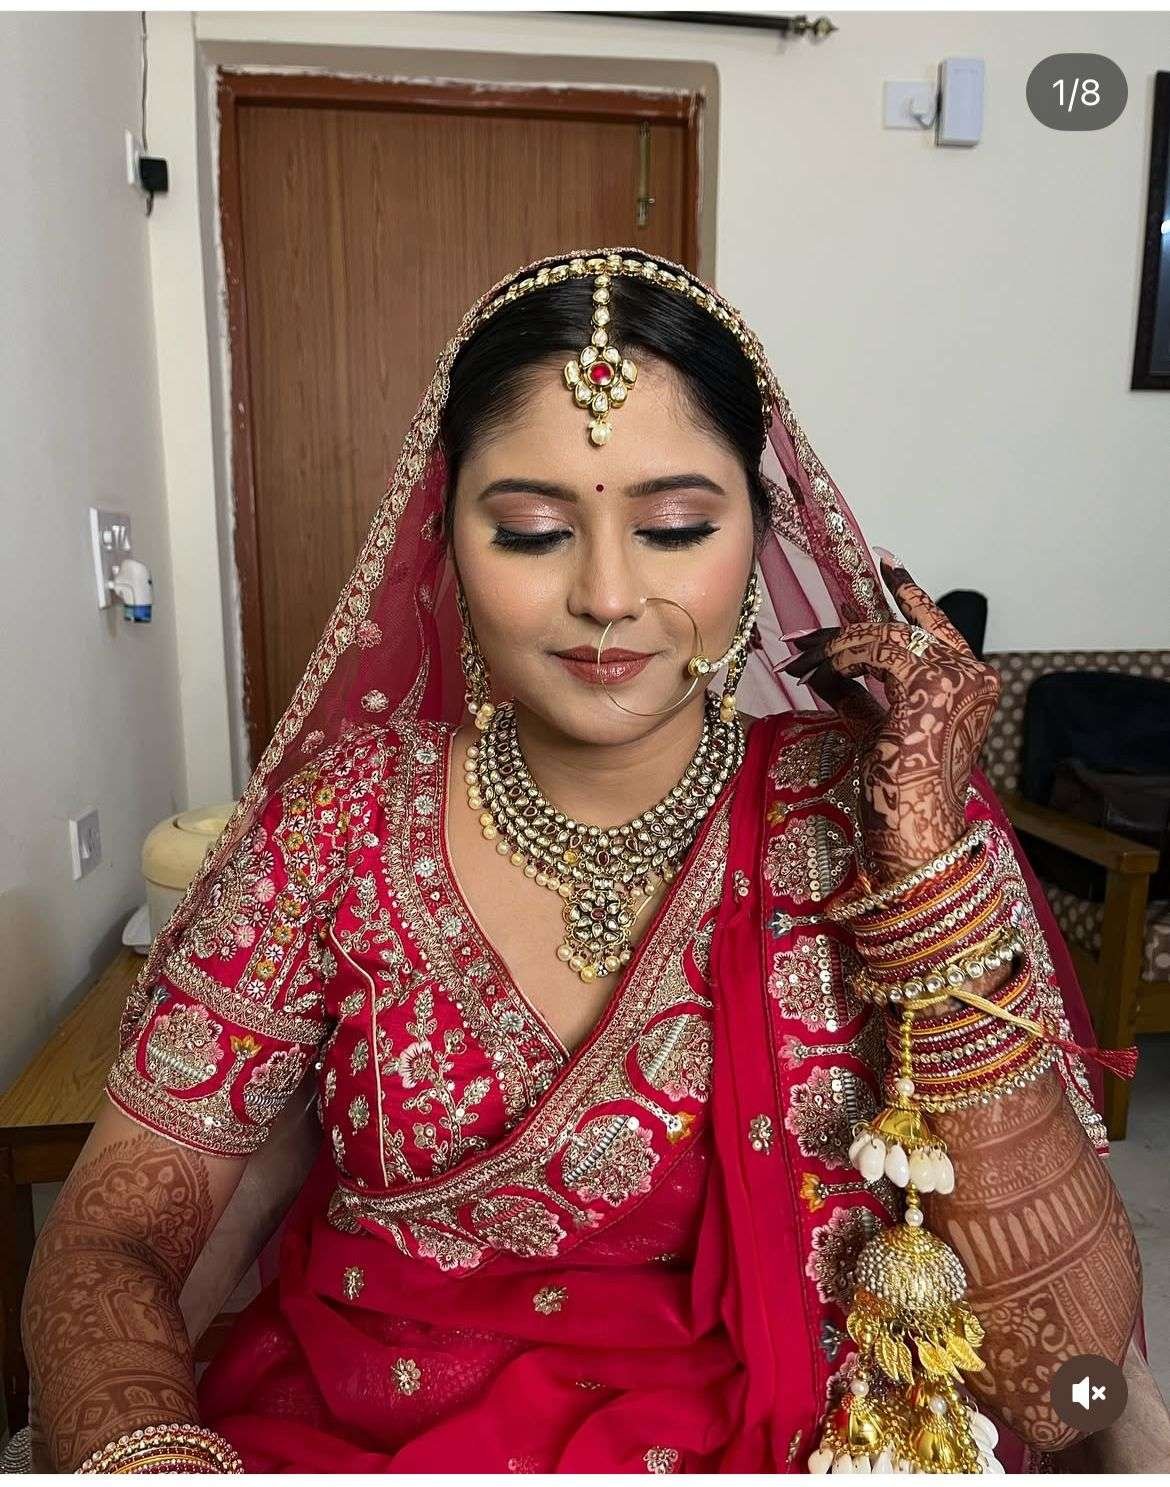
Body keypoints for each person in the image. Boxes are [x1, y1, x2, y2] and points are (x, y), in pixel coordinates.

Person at [20, 248, 1146, 1474]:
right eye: (533, 531)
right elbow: (112, 1233)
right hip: (358, 1433)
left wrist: (927, 886)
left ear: (759, 536)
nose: (608, 594)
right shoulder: (341, 820)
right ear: (447, 539)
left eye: (674, 527)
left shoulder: (877, 809)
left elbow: (1073, 1374)